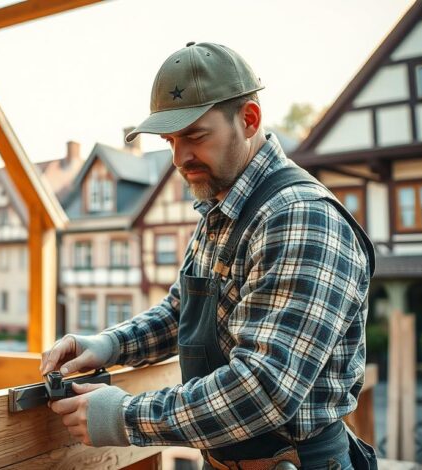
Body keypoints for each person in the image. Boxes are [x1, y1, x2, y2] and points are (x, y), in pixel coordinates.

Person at [40, 42, 378, 470]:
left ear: (249, 119)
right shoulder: (223, 208)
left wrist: (124, 416)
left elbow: (263, 389)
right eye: (170, 141)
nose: (179, 158)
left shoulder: (300, 218)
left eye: (196, 137)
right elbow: (182, 312)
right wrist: (108, 345)